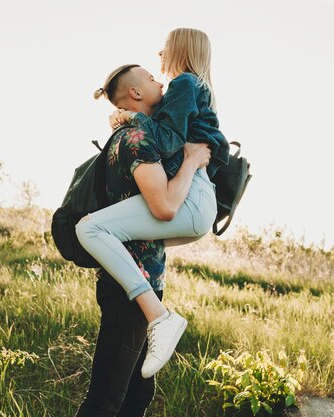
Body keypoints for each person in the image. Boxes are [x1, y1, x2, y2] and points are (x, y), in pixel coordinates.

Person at [75, 28, 229, 379]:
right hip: (195, 198)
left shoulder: (184, 83)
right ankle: (157, 316)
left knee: (90, 227)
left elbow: (168, 138)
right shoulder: (193, 88)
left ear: (180, 49)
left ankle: (160, 316)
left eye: (165, 47)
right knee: (114, 233)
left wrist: (134, 118)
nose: (159, 54)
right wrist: (128, 117)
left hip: (190, 197)